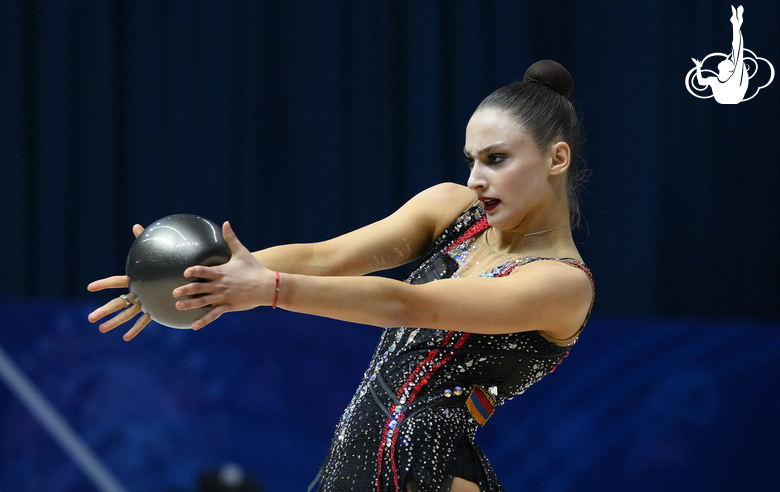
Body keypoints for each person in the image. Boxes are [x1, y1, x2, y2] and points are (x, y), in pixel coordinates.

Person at [88, 59, 594, 492]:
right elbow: (323, 258)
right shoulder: (451, 209)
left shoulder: (562, 285)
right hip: (352, 462)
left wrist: (271, 291)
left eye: (496, 159)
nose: (476, 178)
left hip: (429, 471)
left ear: (557, 158)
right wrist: (197, 279)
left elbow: (407, 305)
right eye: (472, 160)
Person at [692, 5, 748, 104]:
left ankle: (736, 24)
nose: (725, 59)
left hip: (732, 95)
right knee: (737, 52)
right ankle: (736, 24)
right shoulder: (715, 80)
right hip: (730, 96)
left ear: (729, 69)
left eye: (727, 61)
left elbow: (738, 49)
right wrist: (698, 67)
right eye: (728, 61)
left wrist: (698, 68)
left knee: (737, 51)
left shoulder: (729, 78)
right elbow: (701, 82)